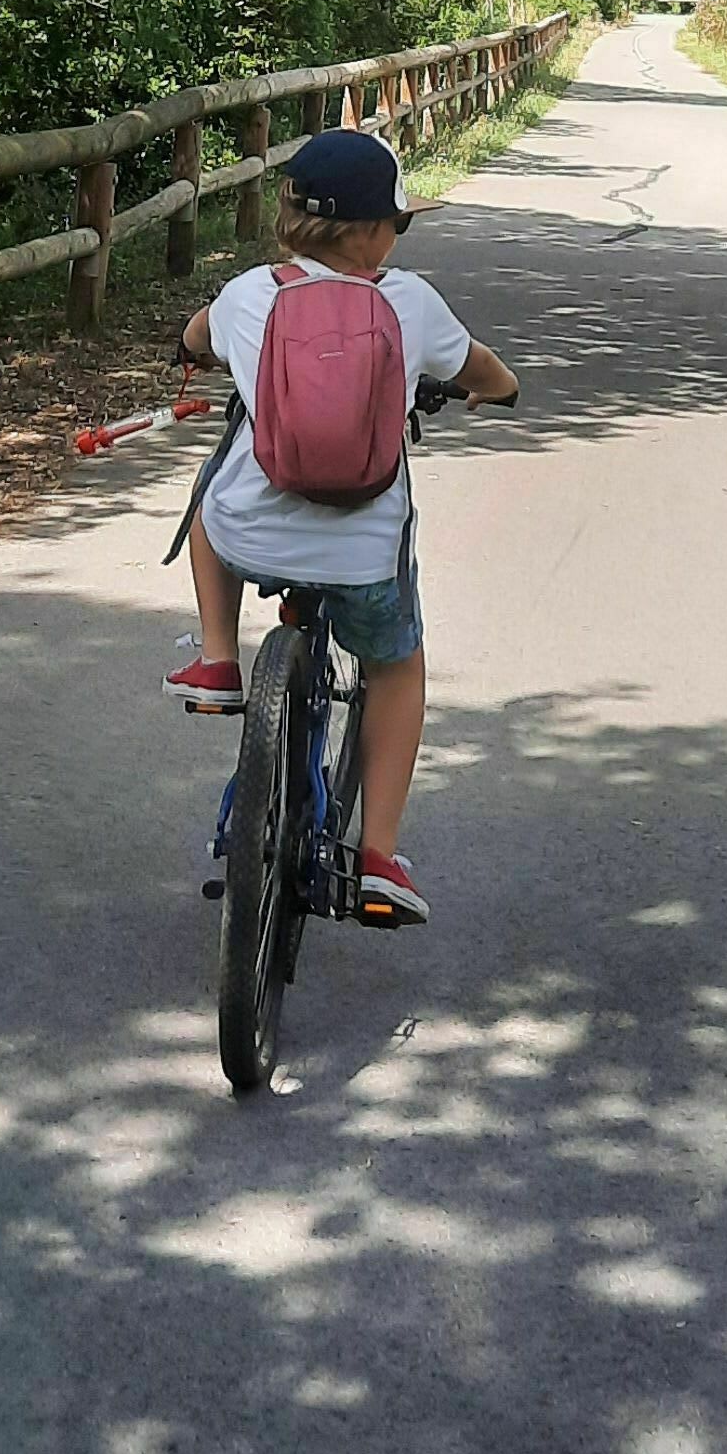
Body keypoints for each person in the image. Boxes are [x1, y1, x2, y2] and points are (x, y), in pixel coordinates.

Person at [166, 129, 517, 924]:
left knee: (210, 502)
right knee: (396, 666)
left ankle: (220, 659)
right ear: (369, 234)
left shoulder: (249, 295)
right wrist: (502, 390)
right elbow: (484, 371)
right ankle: (380, 855)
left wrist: (187, 349)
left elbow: (195, 335)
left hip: (253, 533)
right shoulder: (410, 303)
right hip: (363, 554)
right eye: (397, 221)